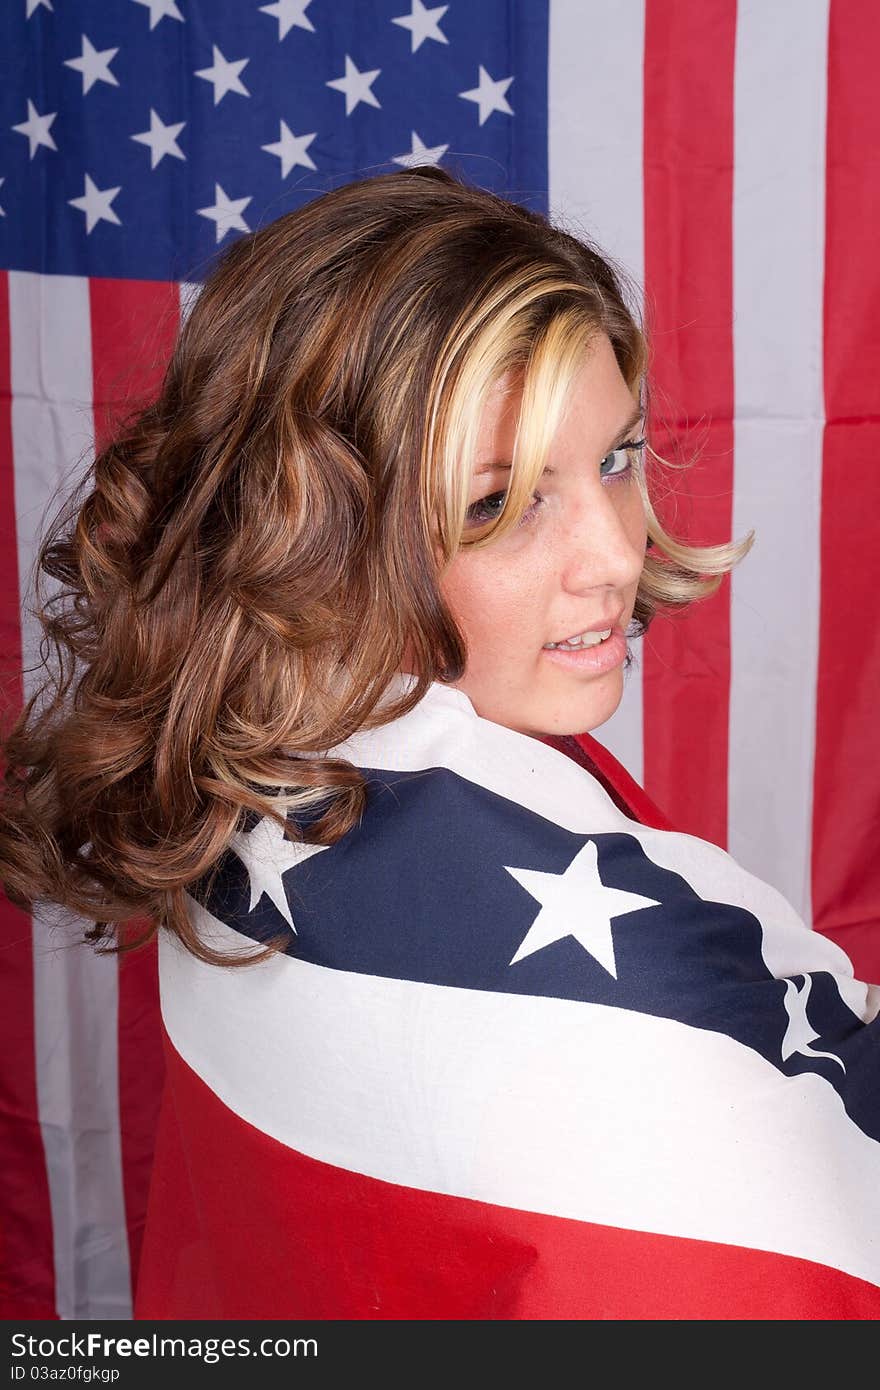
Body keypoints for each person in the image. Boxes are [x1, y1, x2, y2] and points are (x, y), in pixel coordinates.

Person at [1, 166, 877, 1321]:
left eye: (611, 460)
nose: (613, 558)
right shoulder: (587, 968)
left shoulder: (268, 757)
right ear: (313, 539)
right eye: (496, 504)